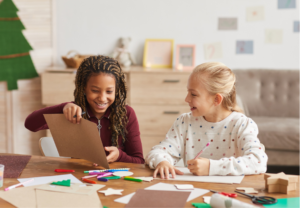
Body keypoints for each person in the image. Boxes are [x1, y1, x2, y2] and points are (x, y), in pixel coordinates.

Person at [145, 62, 267, 179]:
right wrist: (162, 162)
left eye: (193, 94)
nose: (186, 99)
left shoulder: (242, 124)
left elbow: (258, 161)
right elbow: (156, 152)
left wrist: (211, 167)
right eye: (188, 92)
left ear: (216, 99)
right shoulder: (184, 122)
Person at [25, 55, 144, 164]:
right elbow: (30, 124)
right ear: (84, 88)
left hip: (115, 180)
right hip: (78, 179)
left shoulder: (126, 114)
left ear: (117, 90)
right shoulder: (71, 112)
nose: (102, 98)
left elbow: (139, 161)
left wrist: (119, 156)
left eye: (109, 91)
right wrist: (63, 107)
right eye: (95, 90)